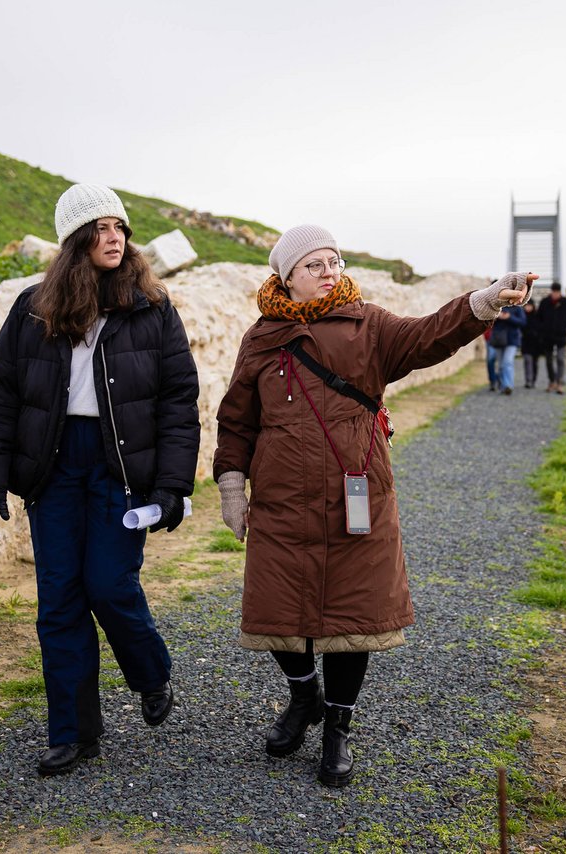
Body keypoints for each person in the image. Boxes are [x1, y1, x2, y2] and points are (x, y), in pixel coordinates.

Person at [213, 224, 534, 788]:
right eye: (313, 264)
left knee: (352, 614)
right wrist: (232, 488)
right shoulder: (261, 338)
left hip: (355, 495)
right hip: (282, 501)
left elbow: (430, 335)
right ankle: (303, 696)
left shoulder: (370, 325)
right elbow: (237, 420)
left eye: (334, 260)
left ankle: (338, 726)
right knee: (277, 606)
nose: (329, 271)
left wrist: (484, 301)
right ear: (286, 276)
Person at [0, 183, 201, 777]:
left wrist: (173, 485)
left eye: (119, 227)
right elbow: (0, 397)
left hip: (121, 465)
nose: (114, 238)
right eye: (99, 229)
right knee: (60, 601)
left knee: (109, 585)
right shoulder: (32, 308)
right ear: (75, 241)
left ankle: (151, 673)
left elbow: (179, 401)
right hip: (53, 467)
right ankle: (73, 733)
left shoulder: (152, 307)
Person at [535, 282, 566, 394]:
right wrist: (542, 330)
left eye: (557, 292)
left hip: (561, 337)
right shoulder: (545, 302)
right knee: (549, 361)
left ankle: (560, 382)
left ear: (560, 292)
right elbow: (538, 317)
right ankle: (552, 381)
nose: (555, 294)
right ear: (551, 291)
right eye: (554, 291)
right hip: (547, 337)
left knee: (560, 359)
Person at [488, 303, 526, 395]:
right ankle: (503, 386)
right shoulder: (498, 306)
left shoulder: (517, 308)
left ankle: (508, 385)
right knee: (501, 365)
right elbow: (488, 321)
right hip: (498, 340)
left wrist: (509, 317)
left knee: (507, 362)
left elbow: (523, 322)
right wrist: (498, 316)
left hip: (512, 340)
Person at [519, 298, 542, 389]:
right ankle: (528, 380)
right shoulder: (522, 316)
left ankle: (533, 380)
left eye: (529, 306)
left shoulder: (537, 317)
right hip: (526, 342)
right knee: (527, 361)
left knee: (535, 363)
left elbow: (540, 329)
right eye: (526, 306)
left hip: (536, 344)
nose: (528, 308)